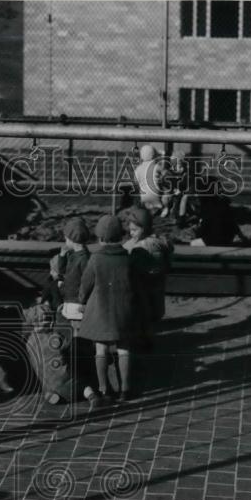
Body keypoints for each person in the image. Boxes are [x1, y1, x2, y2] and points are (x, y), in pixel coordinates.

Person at [77, 215, 136, 404]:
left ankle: (104, 389)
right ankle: (125, 389)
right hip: (124, 311)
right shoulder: (127, 258)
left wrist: (81, 301)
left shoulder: (95, 258)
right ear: (120, 236)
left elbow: (86, 284)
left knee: (100, 350)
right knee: (124, 350)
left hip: (100, 311)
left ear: (100, 238)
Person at [123, 207, 173, 344]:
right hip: (156, 287)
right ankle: (148, 339)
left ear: (144, 228)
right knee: (150, 317)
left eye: (134, 230)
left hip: (142, 288)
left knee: (142, 316)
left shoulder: (139, 248)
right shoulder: (160, 242)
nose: (131, 233)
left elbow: (130, 265)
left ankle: (143, 341)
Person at [134, 144, 166, 213]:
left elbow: (135, 181)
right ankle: (163, 208)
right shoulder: (157, 167)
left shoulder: (139, 168)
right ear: (154, 155)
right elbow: (164, 177)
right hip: (156, 197)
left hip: (144, 197)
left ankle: (148, 208)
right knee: (166, 189)